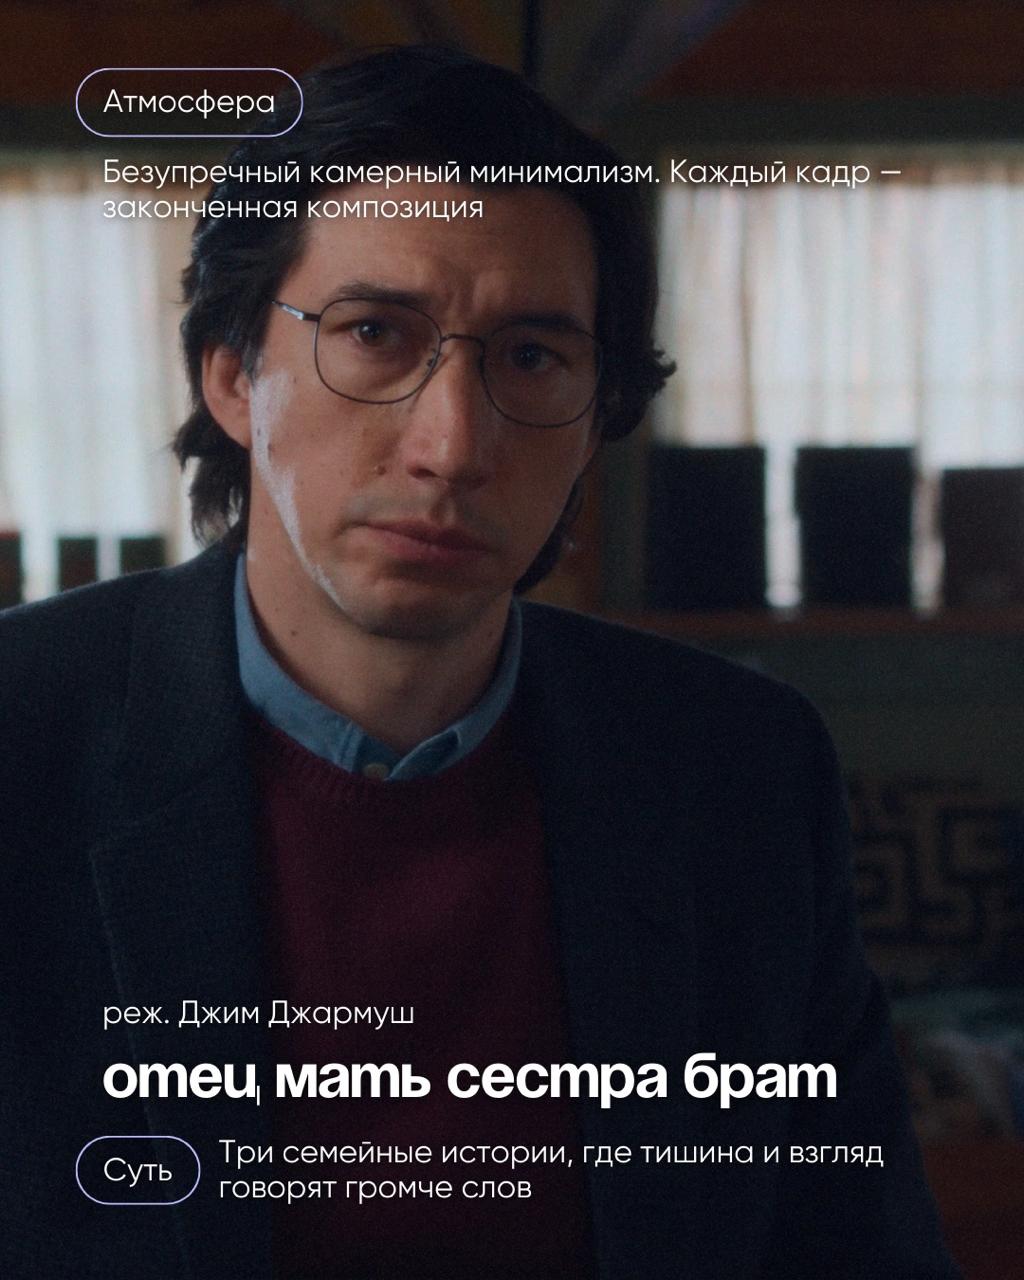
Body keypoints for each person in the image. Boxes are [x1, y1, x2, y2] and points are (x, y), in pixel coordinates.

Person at [0, 45, 960, 1280]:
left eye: (530, 357)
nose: (451, 445)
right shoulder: (24, 734)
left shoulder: (739, 766)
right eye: (373, 333)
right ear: (234, 376)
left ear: (598, 417)